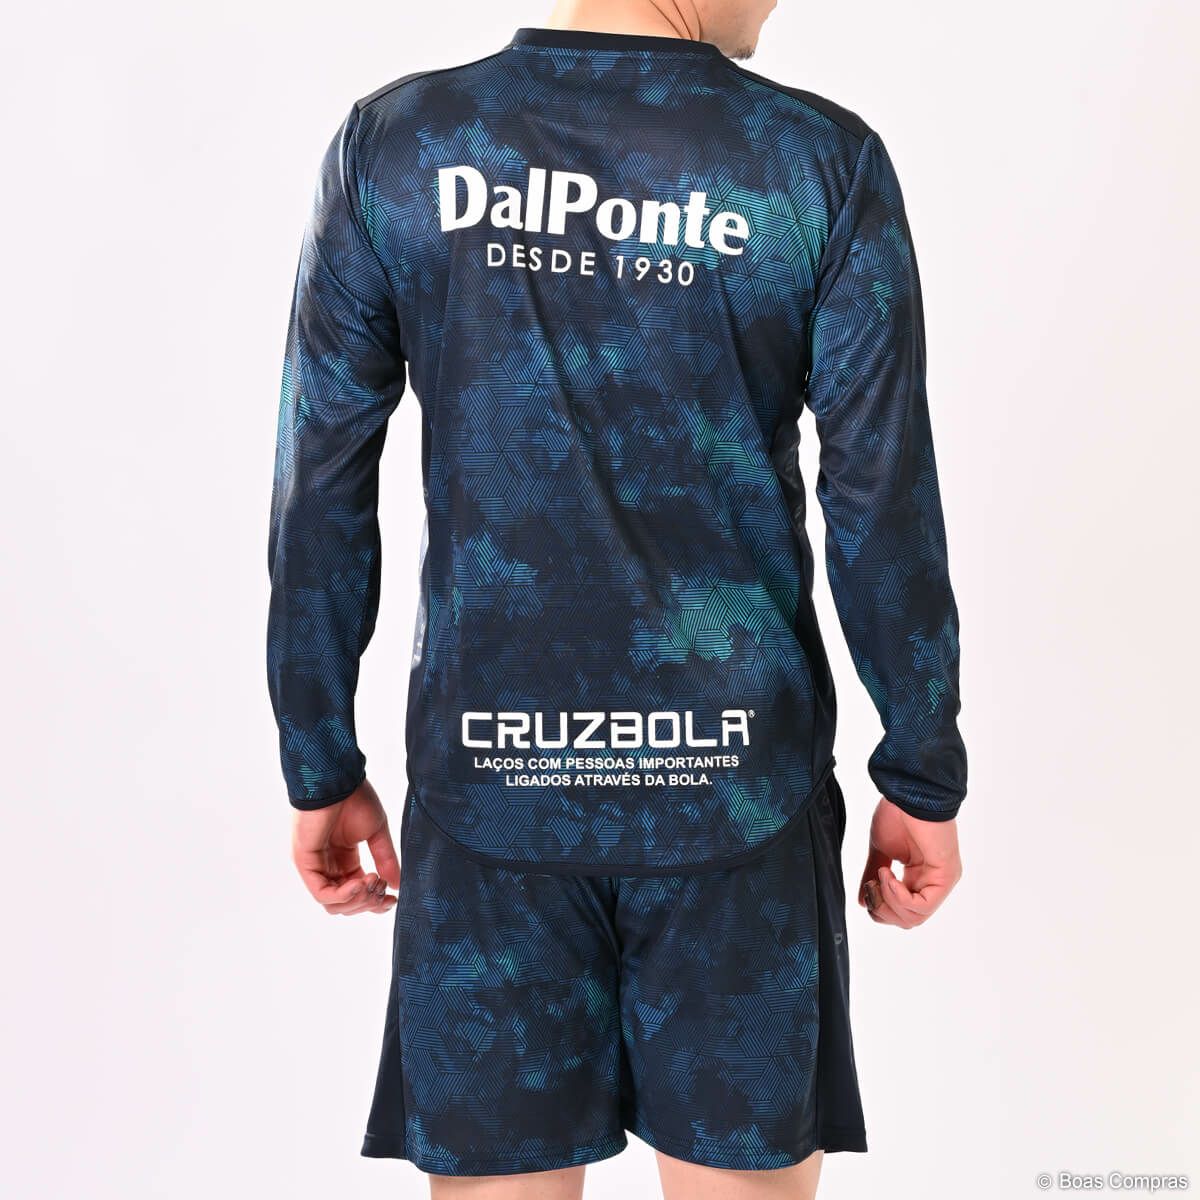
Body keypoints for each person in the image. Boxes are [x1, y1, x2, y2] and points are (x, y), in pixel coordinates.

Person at [266, 1, 967, 1195]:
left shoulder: (403, 146)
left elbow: (319, 487)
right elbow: (881, 498)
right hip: (734, 792)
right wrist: (922, 769)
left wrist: (319, 761)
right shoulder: (816, 165)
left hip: (493, 786)